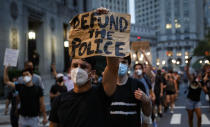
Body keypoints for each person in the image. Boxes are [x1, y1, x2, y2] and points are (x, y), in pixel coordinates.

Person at [109, 56, 151, 127]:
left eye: (123, 62)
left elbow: (147, 113)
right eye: (117, 62)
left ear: (129, 65)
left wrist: (146, 101)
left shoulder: (137, 85)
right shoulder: (107, 86)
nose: (120, 65)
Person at [186, 57, 208, 127]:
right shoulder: (192, 80)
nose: (199, 75)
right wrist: (188, 63)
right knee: (190, 117)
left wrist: (201, 86)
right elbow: (187, 72)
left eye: (200, 74)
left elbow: (206, 91)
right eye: (198, 74)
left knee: (199, 117)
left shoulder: (202, 82)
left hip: (197, 101)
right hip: (190, 100)